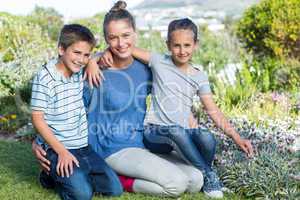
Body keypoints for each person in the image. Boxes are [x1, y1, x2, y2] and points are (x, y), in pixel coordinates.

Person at [33, 1, 204, 197]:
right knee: (177, 184)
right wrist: (39, 142)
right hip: (110, 149)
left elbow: (172, 98)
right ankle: (120, 179)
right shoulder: (93, 71)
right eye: (113, 38)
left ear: (135, 33)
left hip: (141, 144)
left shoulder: (146, 70)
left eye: (126, 35)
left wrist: (191, 125)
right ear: (106, 39)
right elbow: (61, 105)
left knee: (196, 179)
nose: (121, 43)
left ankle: (115, 175)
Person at [99, 18, 254, 198]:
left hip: (179, 137)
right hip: (154, 134)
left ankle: (205, 173)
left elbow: (213, 111)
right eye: (176, 45)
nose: (182, 51)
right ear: (168, 45)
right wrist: (103, 53)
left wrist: (236, 137)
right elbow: (122, 46)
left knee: (206, 136)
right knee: (176, 131)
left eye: (187, 45)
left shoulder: (199, 76)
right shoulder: (158, 61)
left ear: (195, 45)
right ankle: (209, 175)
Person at [30, 24, 122, 200]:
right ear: (61, 49)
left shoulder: (78, 71)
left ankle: (72, 175)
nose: (81, 59)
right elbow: (37, 119)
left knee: (114, 189)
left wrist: (93, 61)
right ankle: (49, 176)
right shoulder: (45, 78)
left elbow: (100, 53)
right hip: (57, 148)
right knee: (82, 195)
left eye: (86, 55)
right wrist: (62, 152)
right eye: (76, 53)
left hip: (82, 146)